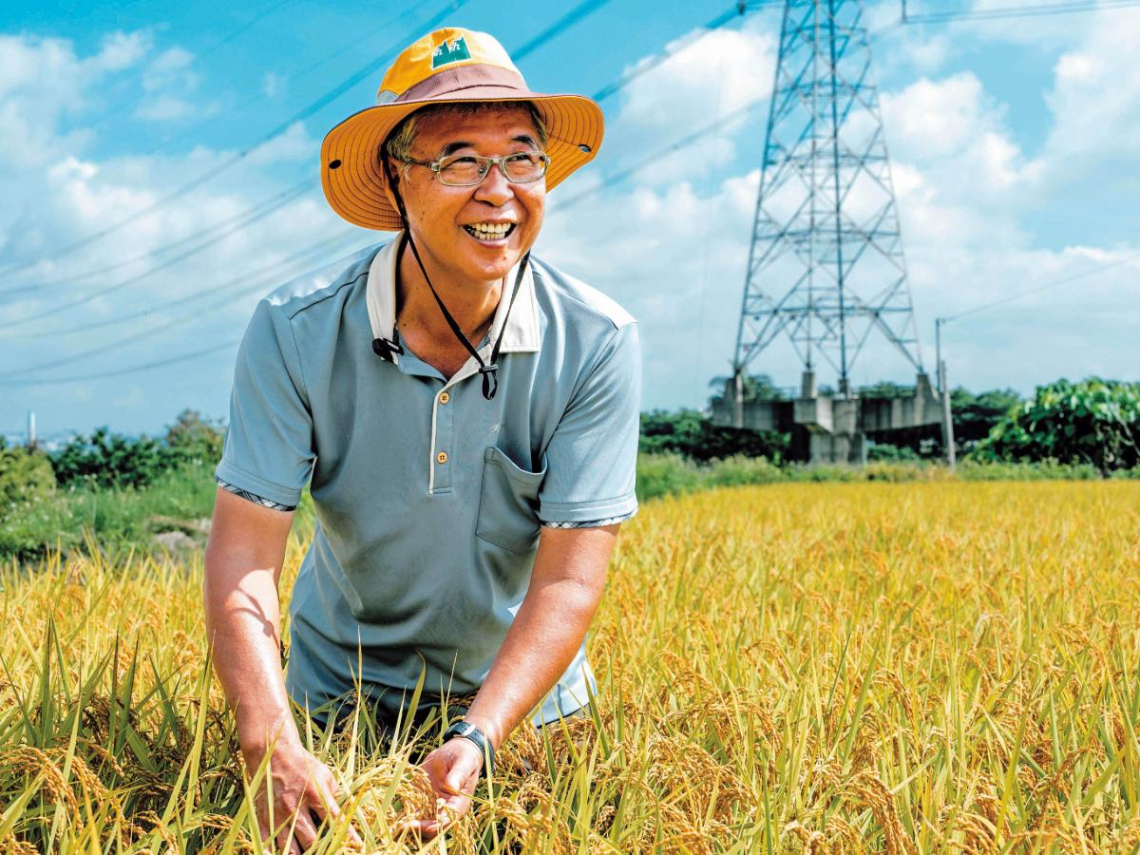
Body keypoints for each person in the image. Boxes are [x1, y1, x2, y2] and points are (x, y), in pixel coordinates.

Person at [202, 26, 641, 849]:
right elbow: (244, 553)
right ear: (397, 183)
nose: (498, 189)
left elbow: (568, 583)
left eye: (521, 157)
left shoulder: (597, 341)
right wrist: (268, 737)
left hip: (524, 711)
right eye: (459, 160)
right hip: (339, 699)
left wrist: (479, 736)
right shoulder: (294, 332)